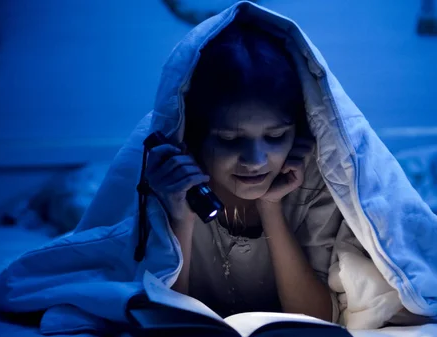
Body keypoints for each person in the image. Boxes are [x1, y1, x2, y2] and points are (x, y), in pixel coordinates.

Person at [143, 20, 342, 322]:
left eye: (275, 137)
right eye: (229, 140)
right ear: (196, 137)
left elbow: (315, 319)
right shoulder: (169, 182)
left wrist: (270, 207)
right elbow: (170, 322)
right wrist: (180, 217)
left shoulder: (312, 180)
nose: (255, 161)